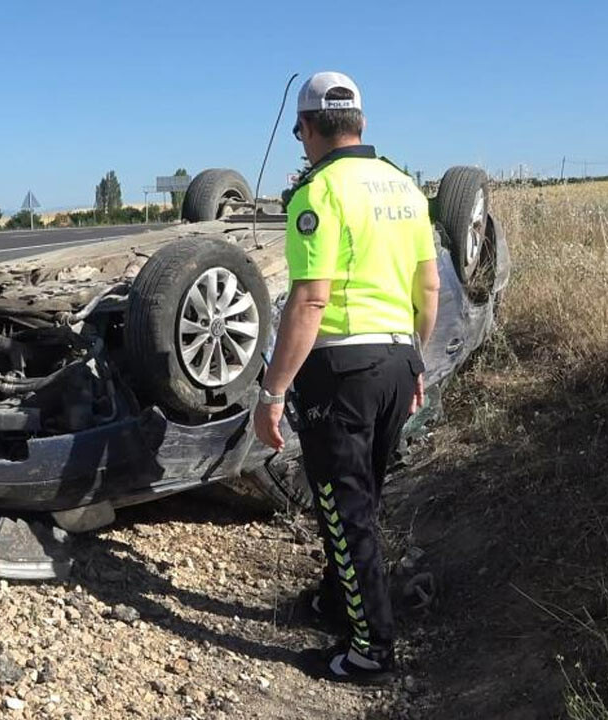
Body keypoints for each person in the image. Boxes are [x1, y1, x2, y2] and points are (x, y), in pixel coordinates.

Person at [252, 71, 440, 683]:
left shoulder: (318, 194)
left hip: (341, 369)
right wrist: (416, 361)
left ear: (305, 129)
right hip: (397, 360)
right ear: (360, 124)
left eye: (300, 133)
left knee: (344, 506)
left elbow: (309, 302)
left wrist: (272, 391)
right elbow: (429, 288)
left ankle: (369, 649)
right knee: (359, 498)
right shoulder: (405, 188)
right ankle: (338, 601)